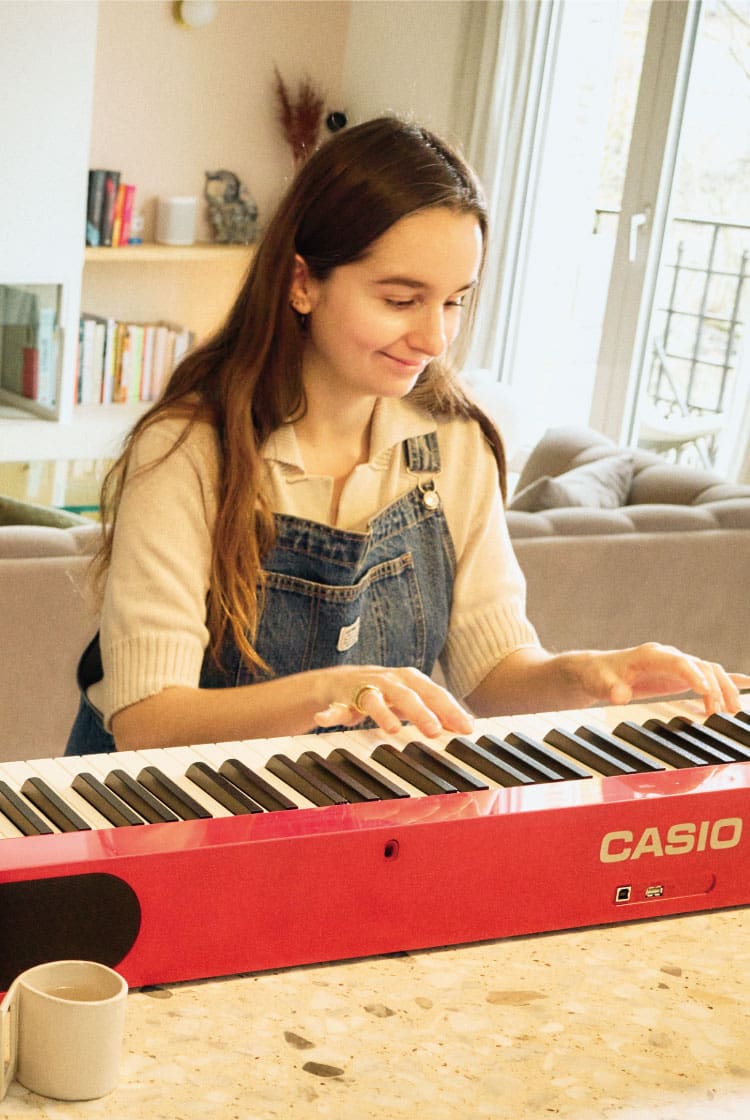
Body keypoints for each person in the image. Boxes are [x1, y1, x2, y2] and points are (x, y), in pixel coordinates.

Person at [66, 116, 748, 756]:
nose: (434, 338)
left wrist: (594, 676)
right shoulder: (189, 451)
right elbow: (148, 723)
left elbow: (494, 676)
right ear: (303, 282)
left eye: (454, 301)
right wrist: (332, 691)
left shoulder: (456, 446)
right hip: (168, 821)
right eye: (400, 300)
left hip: (348, 817)